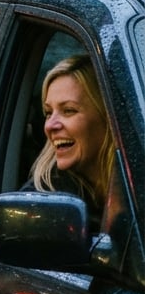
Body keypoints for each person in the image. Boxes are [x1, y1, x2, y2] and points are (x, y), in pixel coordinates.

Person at [23, 54, 115, 230]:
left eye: (68, 110)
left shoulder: (135, 185)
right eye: (48, 112)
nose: (50, 125)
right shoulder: (41, 203)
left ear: (109, 118)